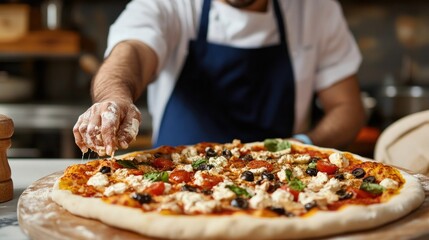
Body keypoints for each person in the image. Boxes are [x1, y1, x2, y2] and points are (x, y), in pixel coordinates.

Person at [73, 0, 366, 157]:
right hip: (174, 183)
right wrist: (115, 97)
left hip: (284, 184)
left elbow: (348, 109)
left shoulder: (317, 9)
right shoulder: (168, 4)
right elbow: (132, 53)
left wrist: (303, 143)